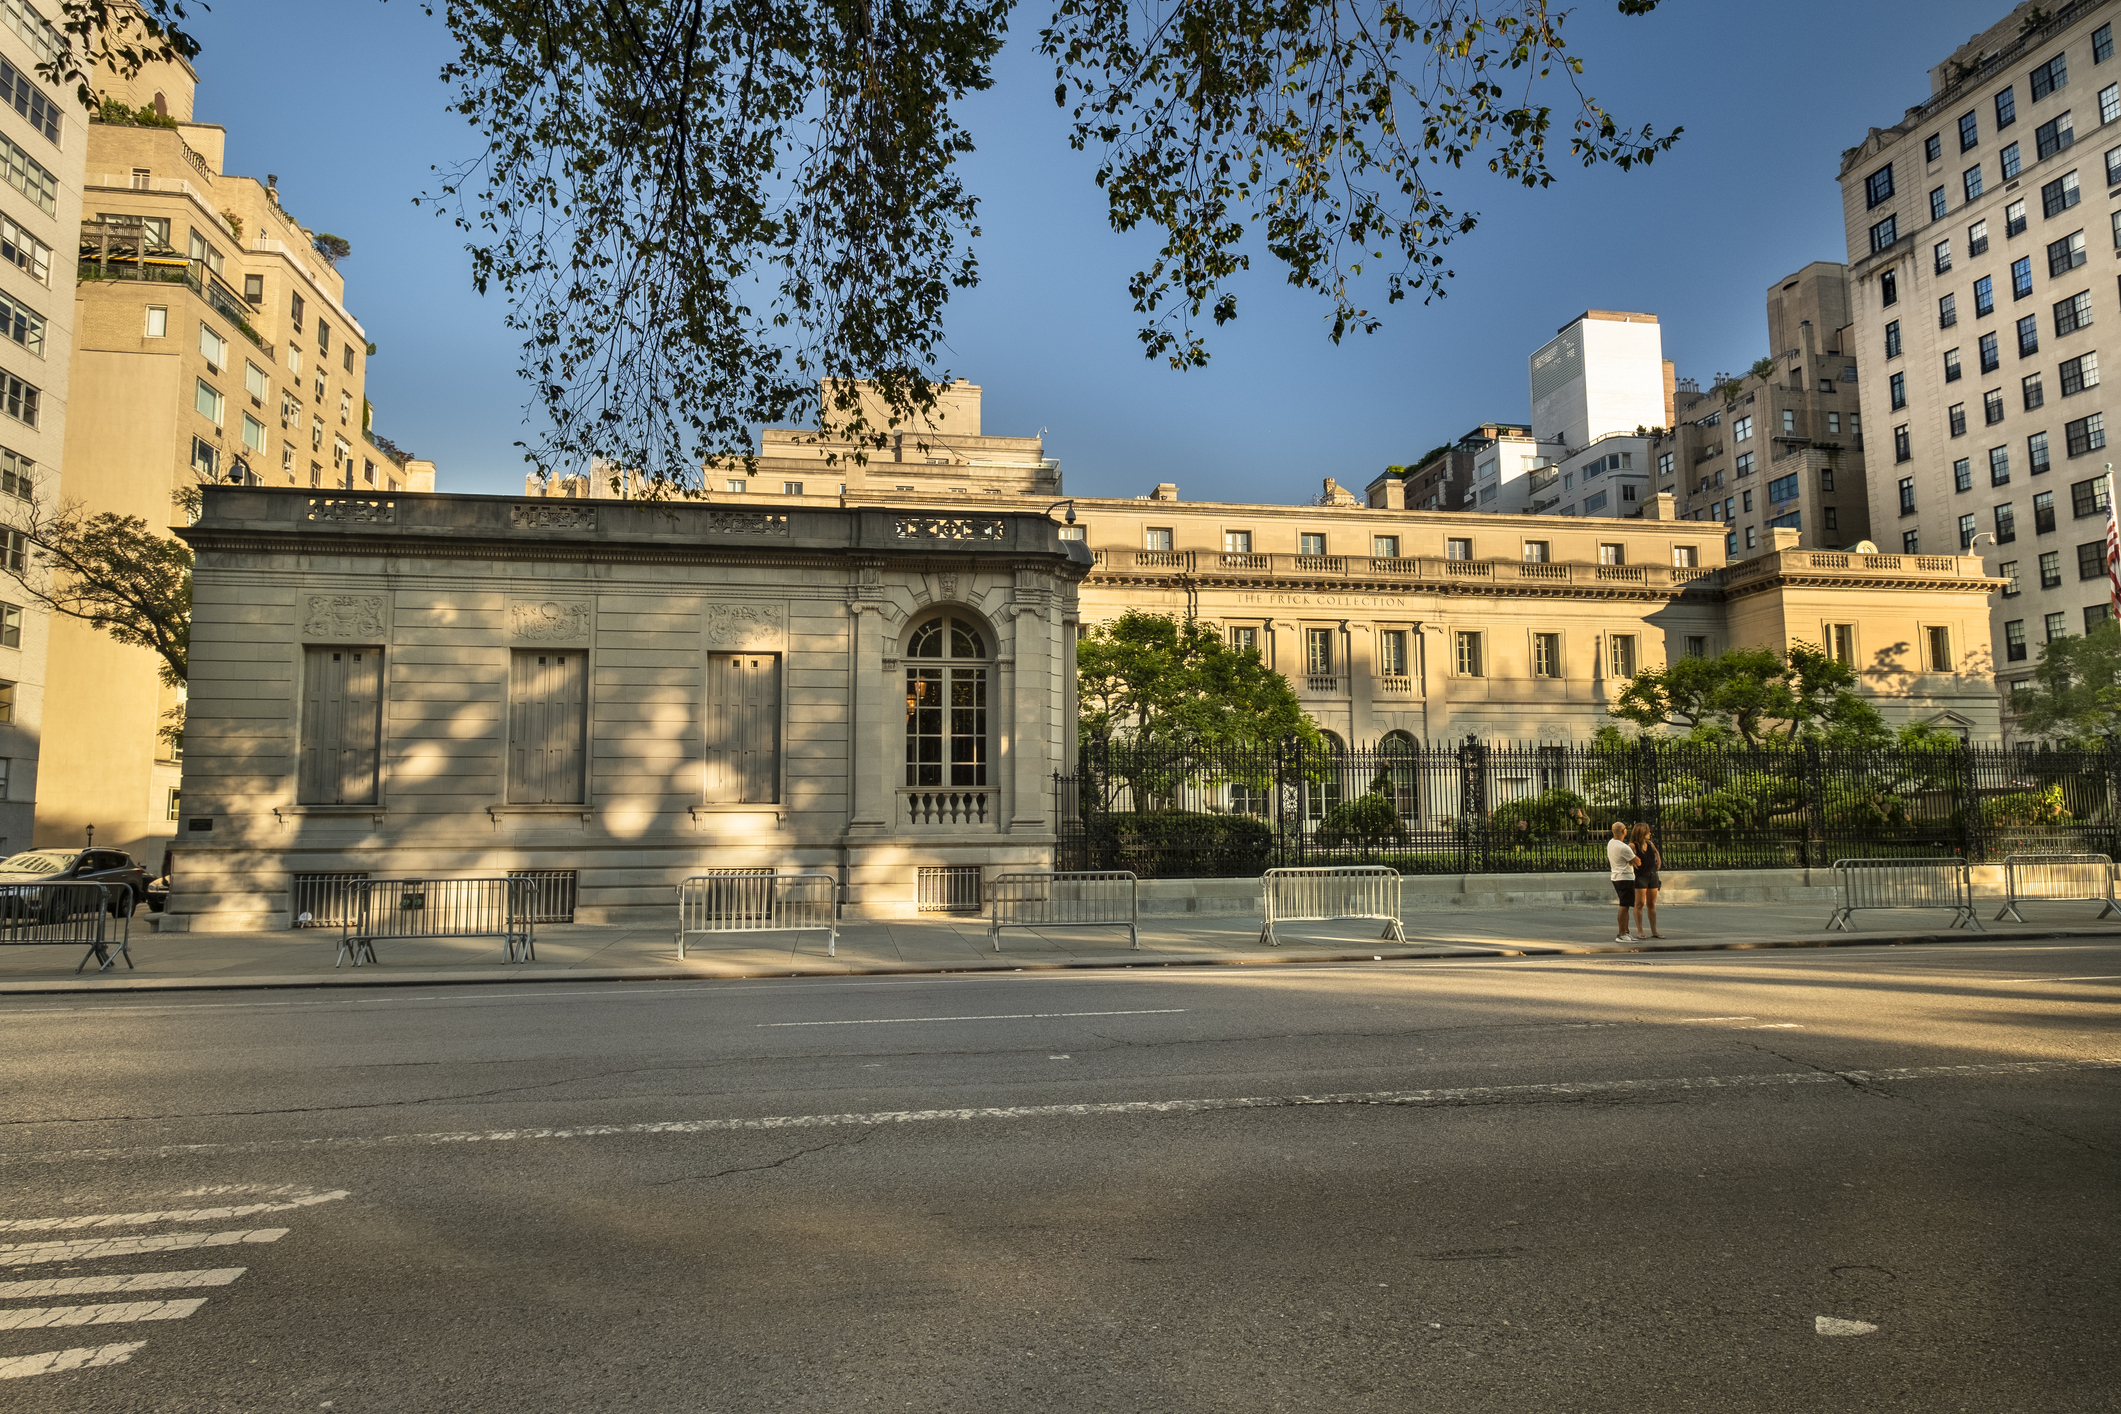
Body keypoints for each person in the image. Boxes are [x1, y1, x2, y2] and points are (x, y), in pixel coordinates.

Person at [1628, 822, 1663, 939]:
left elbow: (1656, 852)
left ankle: (1654, 931)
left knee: (1651, 904)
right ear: (1641, 832)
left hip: (1652, 875)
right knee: (1639, 903)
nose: (1650, 833)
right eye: (1647, 831)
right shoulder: (1633, 846)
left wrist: (1658, 859)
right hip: (1640, 876)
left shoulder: (1650, 844)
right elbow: (1627, 857)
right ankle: (1640, 931)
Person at [1606, 822, 1639, 944]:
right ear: (1623, 831)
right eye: (1625, 828)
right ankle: (1621, 934)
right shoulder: (1624, 847)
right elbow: (1638, 862)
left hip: (1615, 876)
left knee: (1626, 906)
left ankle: (1626, 932)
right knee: (1624, 907)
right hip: (1625, 877)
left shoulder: (1611, 843)